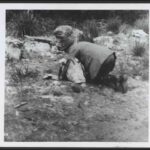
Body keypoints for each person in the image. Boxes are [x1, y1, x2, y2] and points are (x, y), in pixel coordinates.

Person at [53, 25, 128, 93]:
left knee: (96, 81)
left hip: (100, 61)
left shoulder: (73, 49)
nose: (59, 44)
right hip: (110, 56)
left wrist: (61, 77)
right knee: (102, 75)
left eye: (61, 41)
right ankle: (118, 79)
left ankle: (115, 81)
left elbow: (68, 63)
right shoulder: (80, 44)